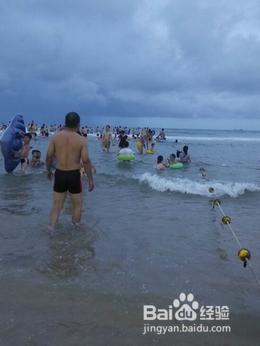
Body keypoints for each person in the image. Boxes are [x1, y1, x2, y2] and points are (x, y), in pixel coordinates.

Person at [46, 112, 94, 231]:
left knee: (57, 205)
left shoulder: (56, 137)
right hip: (74, 175)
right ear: (78, 124)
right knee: (77, 205)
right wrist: (90, 179)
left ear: (65, 122)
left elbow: (48, 156)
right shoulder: (81, 140)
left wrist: (48, 170)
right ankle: (75, 228)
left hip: (60, 173)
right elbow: (86, 160)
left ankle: (51, 228)